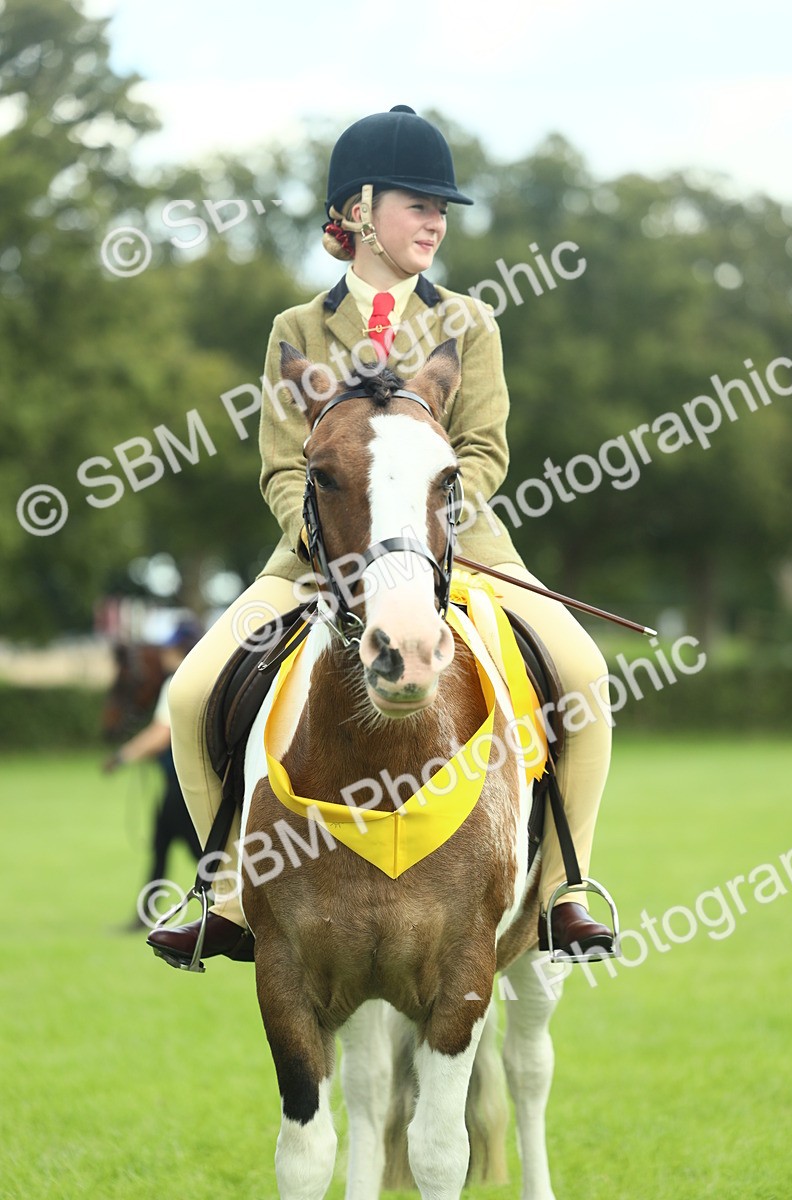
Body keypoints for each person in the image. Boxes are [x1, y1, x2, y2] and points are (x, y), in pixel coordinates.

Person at [149, 105, 614, 966]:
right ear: (359, 210)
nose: (436, 220)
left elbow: (484, 450)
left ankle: (561, 891)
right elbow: (283, 464)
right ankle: (225, 895)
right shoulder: (295, 330)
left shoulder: (471, 323)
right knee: (186, 698)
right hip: (316, 559)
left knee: (586, 681)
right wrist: (321, 530)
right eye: (418, 203)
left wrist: (415, 528)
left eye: (443, 208)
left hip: (463, 548)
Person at [105, 621, 203, 927]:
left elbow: (161, 734)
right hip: (195, 781)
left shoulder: (177, 682)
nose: (163, 654)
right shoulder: (205, 679)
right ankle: (146, 914)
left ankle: (232, 905)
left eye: (169, 648)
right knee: (170, 846)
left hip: (180, 783)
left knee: (188, 849)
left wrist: (123, 756)